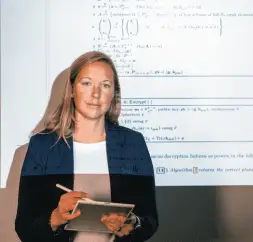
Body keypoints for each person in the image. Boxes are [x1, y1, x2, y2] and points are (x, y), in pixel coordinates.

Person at [15, 51, 158, 242]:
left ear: (113, 94)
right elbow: (24, 227)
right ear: (72, 90)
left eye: (105, 85)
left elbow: (149, 221)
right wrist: (56, 218)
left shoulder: (133, 143)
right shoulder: (42, 146)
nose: (96, 94)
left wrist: (131, 223)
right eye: (87, 83)